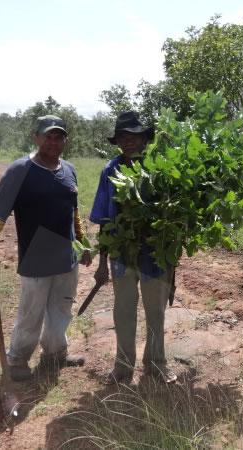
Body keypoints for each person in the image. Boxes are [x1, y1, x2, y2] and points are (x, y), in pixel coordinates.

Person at [0, 115, 91, 382]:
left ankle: (55, 354)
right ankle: (17, 360)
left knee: (61, 309)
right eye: (47, 136)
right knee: (32, 312)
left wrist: (83, 244)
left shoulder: (69, 169)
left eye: (58, 136)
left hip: (66, 256)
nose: (53, 141)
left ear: (65, 140)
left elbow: (73, 211)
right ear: (36, 137)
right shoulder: (21, 169)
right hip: (36, 256)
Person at [90, 111, 177, 385]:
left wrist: (173, 260)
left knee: (156, 313)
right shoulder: (110, 170)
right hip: (121, 256)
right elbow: (104, 219)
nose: (129, 142)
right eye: (123, 138)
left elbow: (177, 219)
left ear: (144, 139)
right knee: (124, 312)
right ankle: (123, 366)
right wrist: (102, 263)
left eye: (134, 137)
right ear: (118, 142)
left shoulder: (161, 168)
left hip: (155, 256)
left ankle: (156, 363)